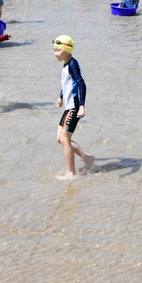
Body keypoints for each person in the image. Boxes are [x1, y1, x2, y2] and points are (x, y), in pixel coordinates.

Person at [53, 34, 93, 179]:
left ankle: (71, 172)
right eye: (54, 50)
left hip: (74, 107)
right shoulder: (66, 64)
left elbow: (81, 83)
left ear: (67, 49)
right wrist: (61, 96)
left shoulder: (73, 64)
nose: (56, 54)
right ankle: (87, 157)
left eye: (58, 50)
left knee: (65, 139)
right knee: (60, 138)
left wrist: (82, 106)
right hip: (68, 106)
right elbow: (68, 84)